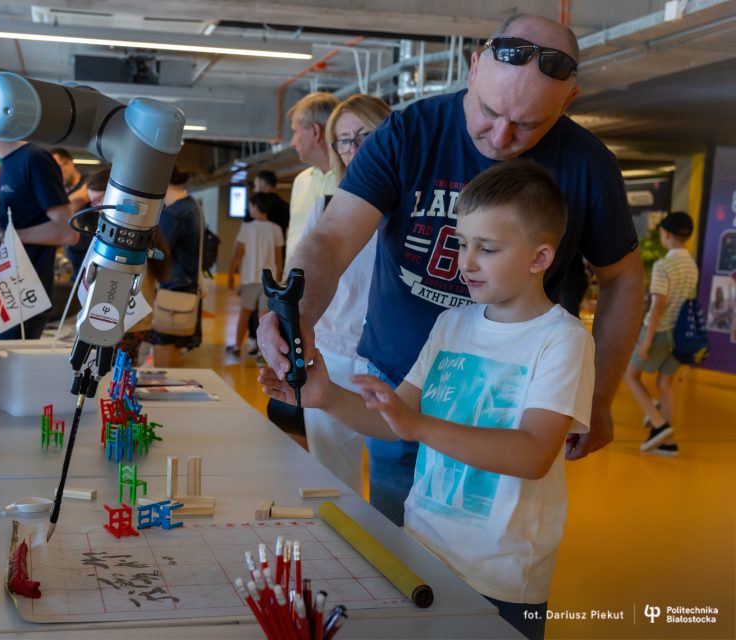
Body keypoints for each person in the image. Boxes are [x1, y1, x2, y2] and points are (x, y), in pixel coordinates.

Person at [259, 14, 644, 526]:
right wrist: (295, 315)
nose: (501, 136)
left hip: (506, 405)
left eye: (528, 124)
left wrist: (598, 398)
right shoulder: (407, 134)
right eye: (488, 111)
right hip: (401, 378)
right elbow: (332, 237)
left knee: (484, 539)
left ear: (569, 101)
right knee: (404, 540)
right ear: (473, 66)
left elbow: (623, 277)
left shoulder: (588, 165)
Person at [261, 160, 595, 640]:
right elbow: (395, 418)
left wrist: (418, 427)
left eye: (488, 248)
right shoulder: (452, 324)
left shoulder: (561, 339)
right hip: (421, 549)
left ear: (540, 258)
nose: (467, 262)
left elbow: (533, 453)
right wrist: (326, 396)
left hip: (500, 576)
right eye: (462, 243)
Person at [299, 94, 390, 495]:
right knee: (331, 477)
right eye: (344, 140)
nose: (354, 149)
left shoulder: (413, 211)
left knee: (397, 479)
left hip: (395, 362)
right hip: (333, 354)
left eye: (365, 135)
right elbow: (301, 279)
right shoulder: (326, 208)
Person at [623, 211, 698, 456]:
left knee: (631, 376)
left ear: (665, 234)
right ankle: (667, 442)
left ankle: (658, 425)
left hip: (660, 331)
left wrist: (646, 340)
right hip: (680, 335)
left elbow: (658, 306)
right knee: (665, 384)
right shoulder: (691, 265)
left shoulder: (663, 265)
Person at [0, 139, 79, 339]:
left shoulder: (33, 159)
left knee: (4, 368)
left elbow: (67, 232)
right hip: (3, 294)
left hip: (21, 299)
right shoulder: (7, 163)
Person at [147, 169, 204, 367]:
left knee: (165, 365)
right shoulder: (191, 205)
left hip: (173, 291)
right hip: (184, 287)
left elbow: (156, 252)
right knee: (171, 357)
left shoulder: (175, 213)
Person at [225, 192, 284, 359]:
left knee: (244, 315)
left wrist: (231, 275)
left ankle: (236, 347)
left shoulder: (247, 227)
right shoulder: (276, 229)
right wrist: (277, 280)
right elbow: (279, 259)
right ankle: (262, 352)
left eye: (250, 206)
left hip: (250, 279)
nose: (249, 209)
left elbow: (238, 254)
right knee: (264, 319)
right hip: (268, 281)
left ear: (255, 207)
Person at [285, 92, 339, 261]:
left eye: (295, 132)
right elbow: (294, 238)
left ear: (315, 131)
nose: (292, 142)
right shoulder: (301, 180)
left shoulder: (352, 182)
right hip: (296, 284)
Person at [51, 148, 95, 280]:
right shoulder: (58, 192)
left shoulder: (90, 180)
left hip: (92, 250)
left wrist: (55, 208)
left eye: (58, 168)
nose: (55, 174)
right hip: (73, 253)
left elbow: (83, 196)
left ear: (70, 163)